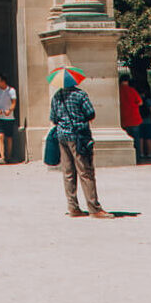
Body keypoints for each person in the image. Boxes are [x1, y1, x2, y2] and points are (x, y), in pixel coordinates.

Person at [49, 78, 109, 219]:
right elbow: (90, 113)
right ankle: (94, 208)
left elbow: (53, 118)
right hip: (79, 136)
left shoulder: (56, 96)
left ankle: (73, 207)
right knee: (85, 171)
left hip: (62, 136)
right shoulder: (80, 95)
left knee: (68, 172)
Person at [0, 74, 17, 163]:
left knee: (9, 137)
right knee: (0, 135)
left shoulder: (11, 90)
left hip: (9, 117)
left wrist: (9, 110)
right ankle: (2, 156)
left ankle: (8, 155)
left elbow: (14, 102)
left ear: (3, 82)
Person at [119, 74, 144, 162]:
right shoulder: (132, 90)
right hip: (134, 118)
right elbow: (140, 102)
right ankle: (137, 158)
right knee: (136, 141)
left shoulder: (118, 91)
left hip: (123, 119)